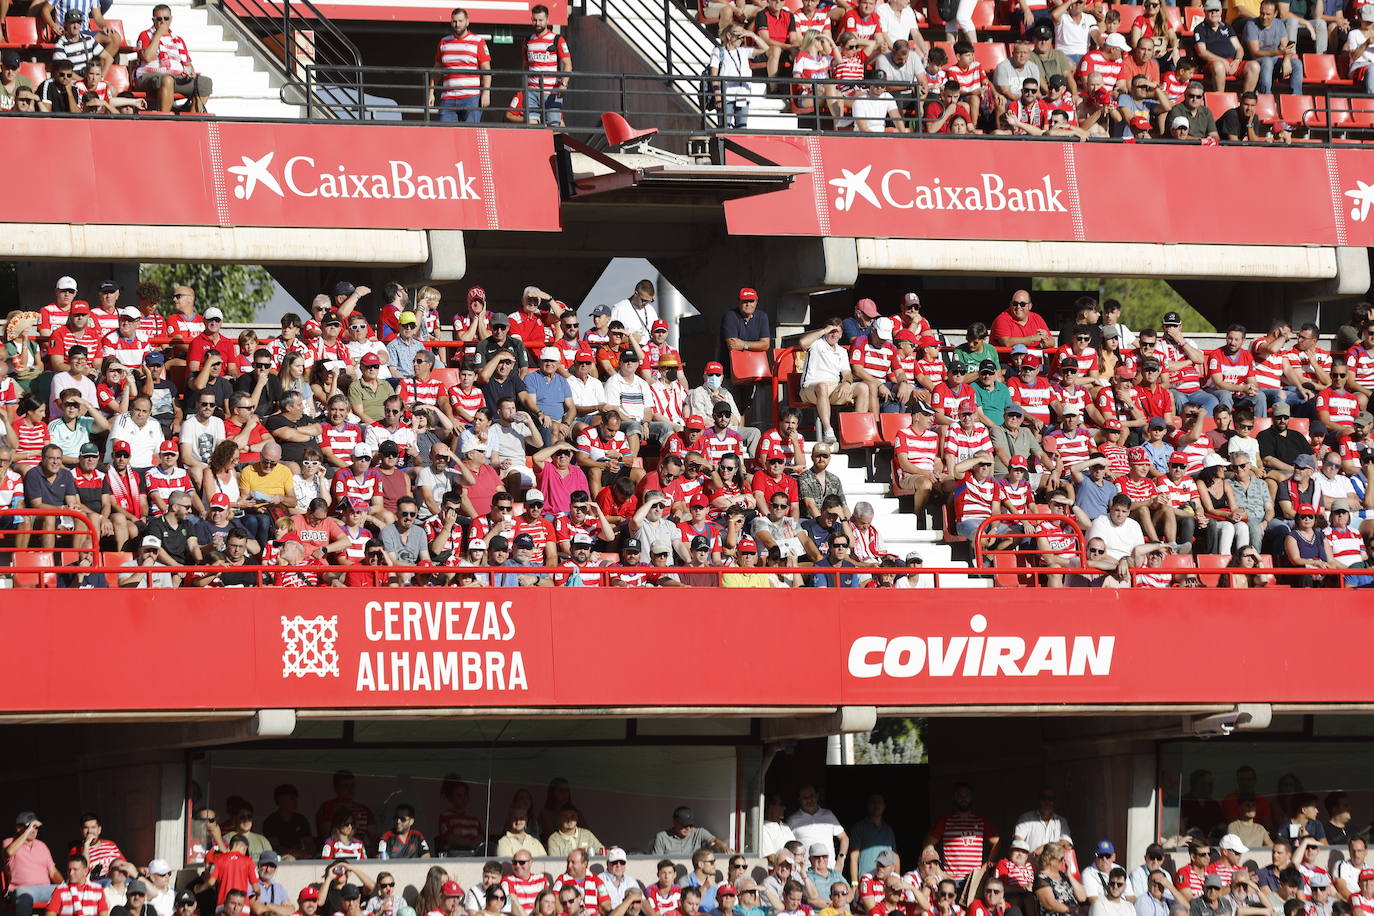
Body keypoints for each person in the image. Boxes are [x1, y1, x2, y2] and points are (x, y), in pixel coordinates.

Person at [134, 4, 211, 112]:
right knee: (167, 80)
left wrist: (190, 72)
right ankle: (165, 119)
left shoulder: (178, 40)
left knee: (204, 83)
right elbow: (147, 57)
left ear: (171, 19)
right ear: (153, 20)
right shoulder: (145, 35)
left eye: (166, 18)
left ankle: (193, 120)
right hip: (149, 75)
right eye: (159, 19)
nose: (163, 22)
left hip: (176, 76)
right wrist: (158, 34)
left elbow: (187, 64)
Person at [652, 809, 728, 857]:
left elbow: (714, 840)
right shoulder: (662, 837)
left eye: (691, 825)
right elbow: (655, 862)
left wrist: (723, 845)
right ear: (675, 822)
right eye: (684, 825)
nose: (688, 828)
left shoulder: (699, 833)